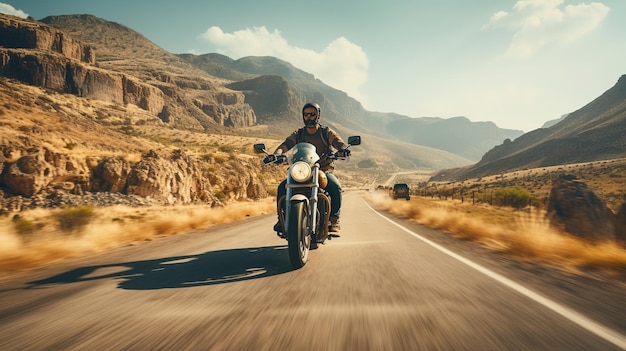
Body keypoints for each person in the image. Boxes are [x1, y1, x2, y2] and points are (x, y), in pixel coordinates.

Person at [266, 102, 351, 236]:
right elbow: (286, 144)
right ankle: (282, 219)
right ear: (303, 116)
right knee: (282, 187)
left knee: (335, 186)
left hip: (322, 169)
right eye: (306, 115)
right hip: (302, 170)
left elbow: (337, 141)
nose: (309, 117)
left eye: (312, 114)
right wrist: (277, 154)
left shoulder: (325, 132)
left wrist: (342, 149)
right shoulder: (299, 134)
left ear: (318, 115)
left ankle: (334, 220)